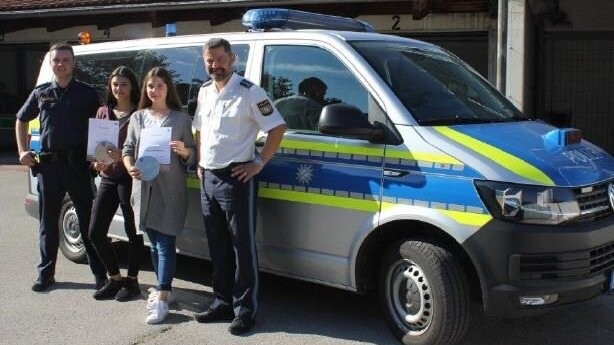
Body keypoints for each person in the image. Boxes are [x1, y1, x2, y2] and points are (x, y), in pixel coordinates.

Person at [192, 38, 287, 335]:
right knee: (217, 245)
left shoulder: (249, 91)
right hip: (208, 177)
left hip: (237, 178)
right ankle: (221, 302)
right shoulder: (205, 91)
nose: (214, 65)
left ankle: (244, 311)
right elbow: (200, 129)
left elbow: (277, 127)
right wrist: (199, 161)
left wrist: (259, 162)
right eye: (209, 60)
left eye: (219, 59)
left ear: (232, 59)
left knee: (241, 246)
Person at [15, 42, 108, 292]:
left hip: (78, 166)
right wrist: (23, 151)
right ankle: (45, 274)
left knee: (88, 222)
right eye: (56, 60)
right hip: (48, 168)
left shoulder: (87, 93)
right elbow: (21, 119)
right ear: (51, 63)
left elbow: (101, 126)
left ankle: (100, 276)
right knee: (47, 224)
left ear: (73, 63)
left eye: (66, 60)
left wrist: (99, 157)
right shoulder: (41, 92)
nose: (61, 64)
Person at [122, 66, 195, 324]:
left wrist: (185, 151)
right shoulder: (138, 118)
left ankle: (162, 298)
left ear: (168, 89)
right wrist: (130, 166)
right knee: (152, 243)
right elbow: (128, 147)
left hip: (170, 190)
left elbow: (193, 154)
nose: (154, 90)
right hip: (143, 189)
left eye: (159, 86)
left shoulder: (181, 119)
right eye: (150, 86)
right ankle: (166, 289)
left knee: (165, 243)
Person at [88, 66, 145, 301]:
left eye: (123, 84)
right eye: (115, 85)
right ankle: (114, 278)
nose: (119, 89)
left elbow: (149, 150)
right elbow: (95, 150)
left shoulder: (141, 114)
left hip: (131, 178)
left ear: (132, 87)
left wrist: (124, 155)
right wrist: (95, 164)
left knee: (133, 233)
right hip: (108, 178)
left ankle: (132, 282)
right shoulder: (103, 112)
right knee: (95, 232)